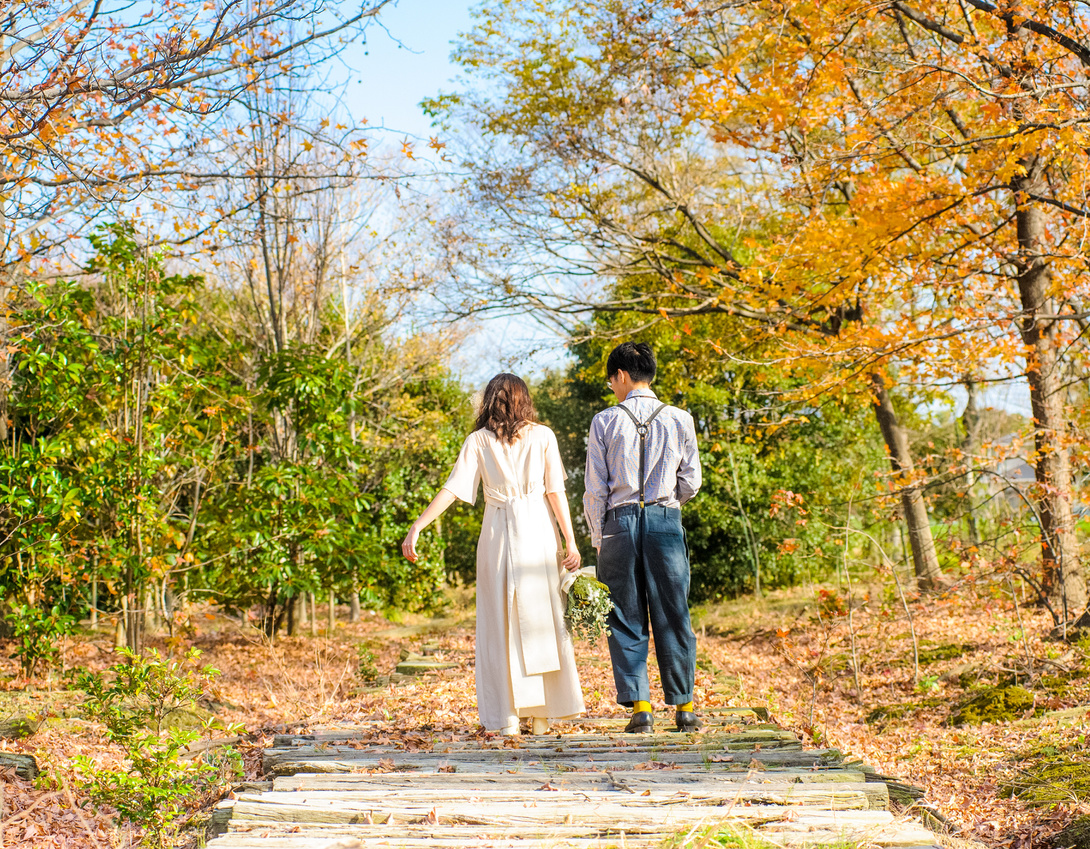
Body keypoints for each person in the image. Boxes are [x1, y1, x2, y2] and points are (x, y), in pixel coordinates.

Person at [401, 374, 585, 735]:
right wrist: (570, 540)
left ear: (489, 401)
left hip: (498, 532)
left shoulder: (479, 441)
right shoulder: (542, 436)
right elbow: (555, 493)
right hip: (536, 531)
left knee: (500, 623)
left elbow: (452, 490)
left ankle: (508, 717)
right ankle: (541, 716)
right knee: (540, 622)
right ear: (524, 400)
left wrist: (417, 526)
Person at [584, 342, 702, 733]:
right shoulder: (681, 418)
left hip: (619, 523)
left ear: (620, 375)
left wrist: (598, 534)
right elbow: (691, 480)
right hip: (664, 521)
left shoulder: (604, 421)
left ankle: (642, 709)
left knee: (624, 615)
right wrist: (665, 506)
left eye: (610, 381)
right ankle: (684, 708)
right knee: (674, 612)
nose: (611, 388)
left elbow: (595, 490)